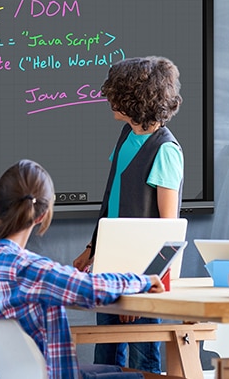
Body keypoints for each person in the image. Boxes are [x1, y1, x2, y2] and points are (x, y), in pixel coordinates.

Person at [0, 159, 167, 379]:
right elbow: (91, 289)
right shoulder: (28, 270)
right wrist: (144, 281)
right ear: (42, 215)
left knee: (118, 370)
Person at [71, 56, 184, 373]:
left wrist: (144, 289)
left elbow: (169, 233)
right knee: (106, 358)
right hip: (109, 271)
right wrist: (91, 250)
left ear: (136, 102)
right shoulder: (126, 136)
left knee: (142, 362)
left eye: (115, 95)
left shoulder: (165, 150)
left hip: (145, 279)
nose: (108, 99)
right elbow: (113, 201)